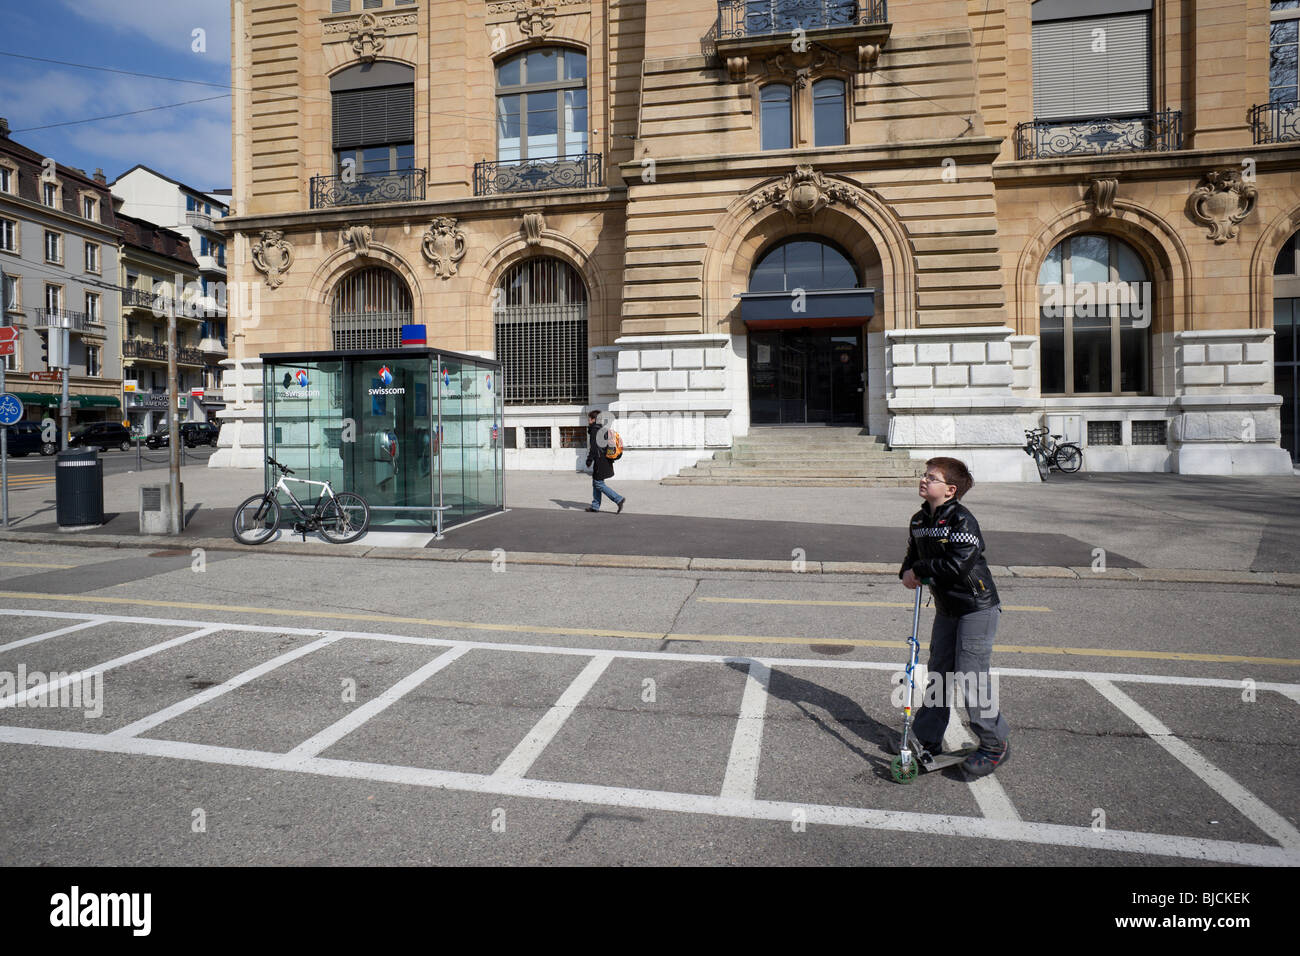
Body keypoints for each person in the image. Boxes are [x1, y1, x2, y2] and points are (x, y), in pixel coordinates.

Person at [898, 456, 1009, 777]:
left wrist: (919, 569)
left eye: (931, 477)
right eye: (924, 475)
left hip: (976, 606)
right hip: (946, 607)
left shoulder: (962, 521)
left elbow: (956, 564)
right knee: (939, 673)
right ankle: (928, 739)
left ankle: (993, 742)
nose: (923, 480)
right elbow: (912, 556)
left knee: (971, 677)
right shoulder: (920, 520)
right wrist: (906, 569)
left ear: (950, 490)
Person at [584, 408, 625, 514]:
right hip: (605, 459)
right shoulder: (603, 429)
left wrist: (589, 460)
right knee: (596, 482)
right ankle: (595, 506)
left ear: (593, 419)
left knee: (598, 483)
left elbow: (594, 448)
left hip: (600, 460)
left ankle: (618, 499)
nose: (588, 420)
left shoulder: (595, 430)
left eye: (589, 418)